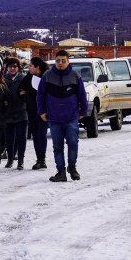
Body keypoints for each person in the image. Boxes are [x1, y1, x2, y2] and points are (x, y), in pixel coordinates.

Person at [37, 50, 88, 182]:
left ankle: (72, 167)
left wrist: (83, 111)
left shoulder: (75, 76)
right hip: (54, 118)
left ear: (68, 61)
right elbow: (40, 95)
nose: (60, 63)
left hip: (71, 118)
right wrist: (41, 112)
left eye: (63, 61)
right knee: (57, 146)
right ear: (55, 61)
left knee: (73, 144)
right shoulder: (47, 76)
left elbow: (82, 95)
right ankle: (61, 172)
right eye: (58, 61)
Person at [20, 57, 50, 169]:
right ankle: (39, 159)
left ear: (37, 67)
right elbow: (21, 88)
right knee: (35, 135)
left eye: (31, 66)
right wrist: (25, 94)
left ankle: (42, 159)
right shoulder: (29, 76)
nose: (29, 68)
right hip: (32, 110)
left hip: (44, 110)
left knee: (42, 134)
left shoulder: (46, 76)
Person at [3, 58, 28, 170]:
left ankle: (21, 160)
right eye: (10, 67)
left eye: (14, 66)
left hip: (21, 112)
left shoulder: (23, 79)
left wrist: (23, 95)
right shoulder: (3, 79)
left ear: (18, 68)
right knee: (9, 138)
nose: (12, 69)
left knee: (21, 137)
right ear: (7, 68)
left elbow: (28, 94)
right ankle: (10, 159)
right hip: (8, 112)